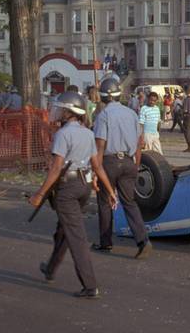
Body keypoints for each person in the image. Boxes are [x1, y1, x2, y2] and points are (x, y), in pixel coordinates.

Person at [28, 92, 117, 299]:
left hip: (67, 189)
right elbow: (97, 167)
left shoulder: (63, 134)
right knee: (64, 230)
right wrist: (110, 191)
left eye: (60, 108)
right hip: (83, 187)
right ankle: (50, 268)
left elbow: (56, 168)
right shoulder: (87, 133)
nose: (56, 112)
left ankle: (90, 286)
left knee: (76, 236)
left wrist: (40, 194)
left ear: (69, 112)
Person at [92, 75, 152, 259]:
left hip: (109, 163)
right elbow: (139, 143)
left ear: (103, 96)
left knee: (104, 202)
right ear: (119, 95)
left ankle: (106, 243)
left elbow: (100, 146)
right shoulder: (131, 114)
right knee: (129, 202)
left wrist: (96, 172)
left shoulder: (103, 116)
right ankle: (143, 241)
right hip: (128, 162)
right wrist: (136, 164)